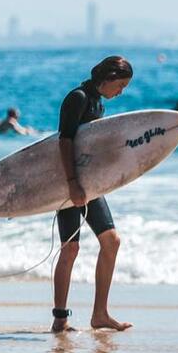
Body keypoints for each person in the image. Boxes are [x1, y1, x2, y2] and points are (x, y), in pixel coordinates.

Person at [52, 56, 135, 333]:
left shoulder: (98, 101)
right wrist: (72, 183)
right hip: (70, 183)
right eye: (120, 85)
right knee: (70, 248)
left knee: (111, 241)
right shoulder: (77, 98)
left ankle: (100, 314)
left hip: (90, 185)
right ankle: (60, 318)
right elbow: (64, 141)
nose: (121, 92)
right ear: (109, 77)